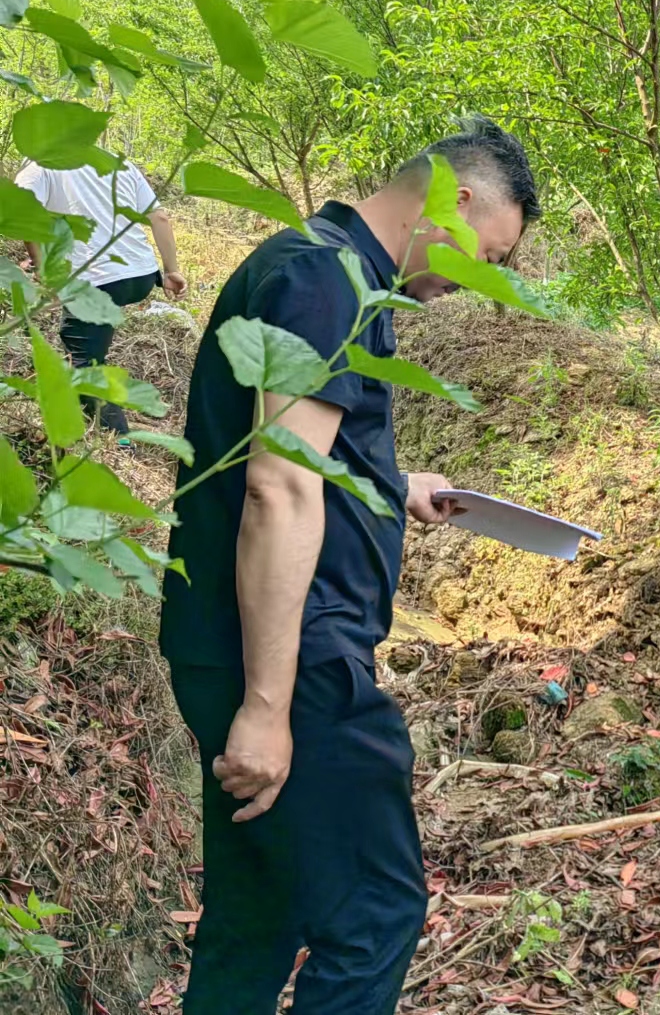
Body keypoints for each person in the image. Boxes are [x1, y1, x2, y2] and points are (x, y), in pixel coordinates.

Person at [158, 116, 539, 1015]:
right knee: (374, 912)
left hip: (243, 640)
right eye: (487, 254)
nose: (472, 282)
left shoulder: (325, 268)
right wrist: (267, 706)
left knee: (259, 913)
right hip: (296, 658)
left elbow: (300, 455)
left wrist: (390, 480)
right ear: (457, 198)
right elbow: (277, 491)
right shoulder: (325, 281)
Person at [17, 157, 187, 439]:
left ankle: (119, 441)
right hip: (142, 275)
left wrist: (43, 269)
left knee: (84, 361)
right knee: (84, 341)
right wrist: (172, 269)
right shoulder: (119, 163)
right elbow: (160, 217)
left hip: (99, 280)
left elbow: (23, 214)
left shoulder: (42, 165)